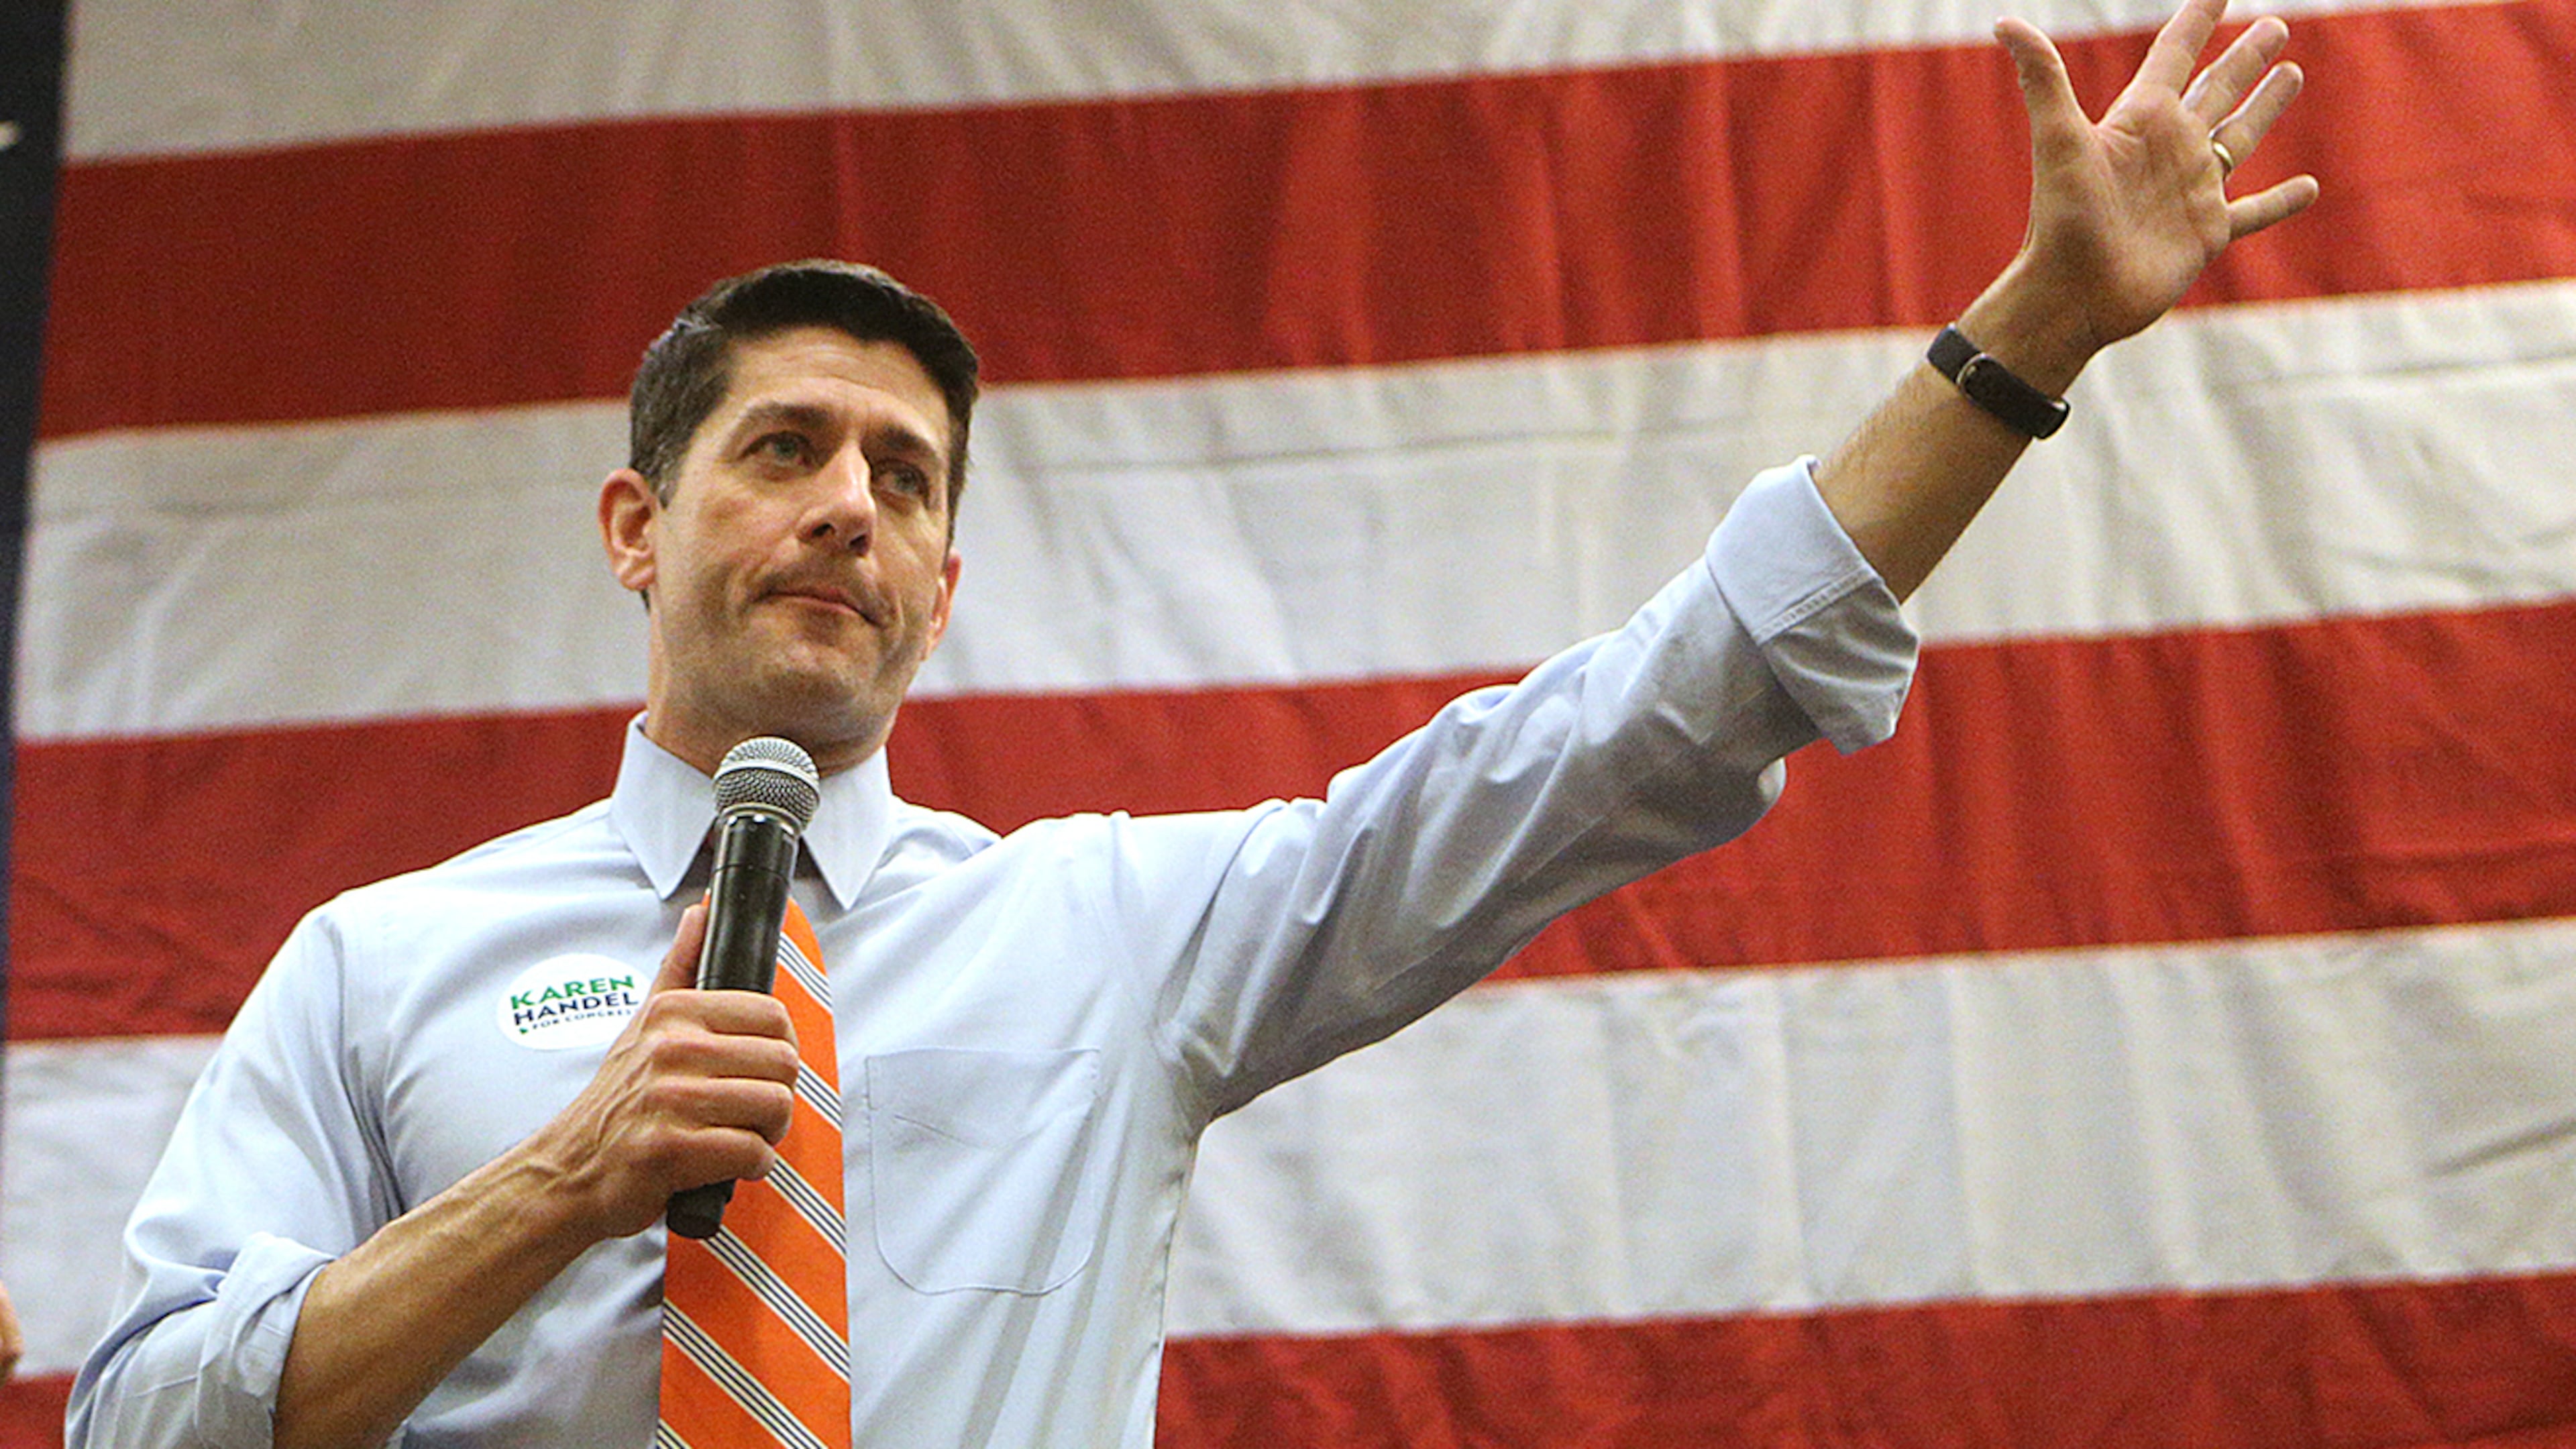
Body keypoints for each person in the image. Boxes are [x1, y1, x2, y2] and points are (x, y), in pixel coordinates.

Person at [68, 3, 2316, 1444]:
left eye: (907, 477)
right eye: (784, 450)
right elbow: (140, 1419)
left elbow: (1620, 741)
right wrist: (563, 1182)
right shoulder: (377, 966)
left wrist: (2026, 345)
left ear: (947, 591)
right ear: (636, 528)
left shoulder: (1116, 937)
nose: (848, 503)